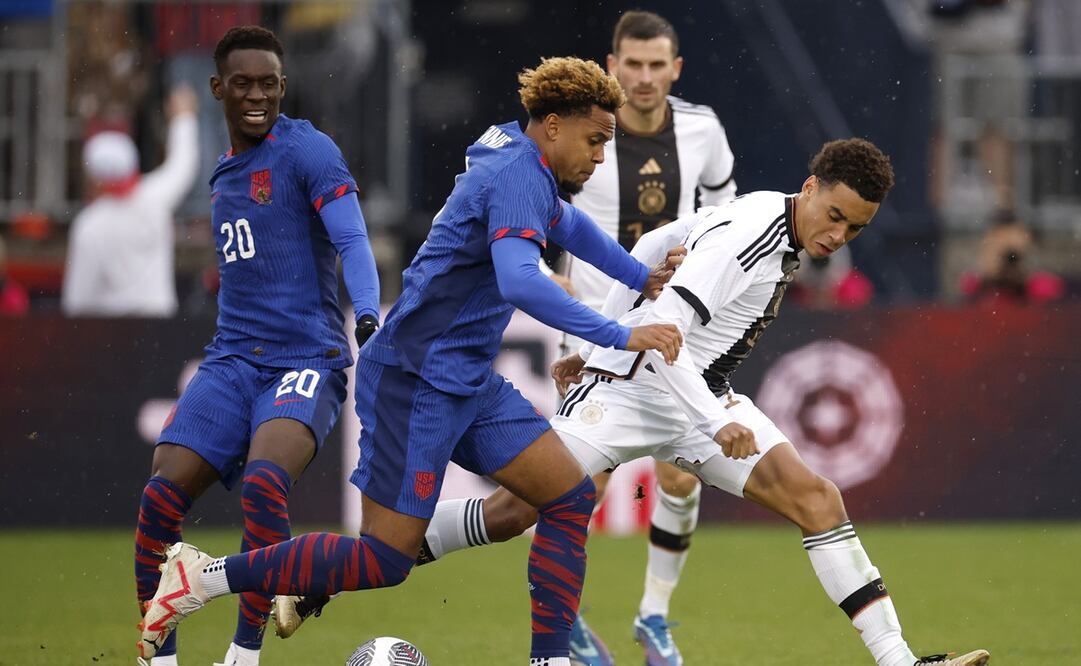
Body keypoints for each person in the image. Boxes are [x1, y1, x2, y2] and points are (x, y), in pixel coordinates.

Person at [139, 55, 686, 666]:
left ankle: (550, 659)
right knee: (384, 559)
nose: (600, 157)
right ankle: (203, 579)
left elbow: (570, 227)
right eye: (595, 141)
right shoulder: (518, 176)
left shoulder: (517, 154)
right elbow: (522, 283)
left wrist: (644, 277)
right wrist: (619, 335)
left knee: (566, 495)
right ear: (554, 126)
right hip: (415, 379)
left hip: (464, 378)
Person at [414, 139, 992, 666]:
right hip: (628, 391)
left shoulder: (770, 212)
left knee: (817, 499)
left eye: (855, 229)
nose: (839, 235)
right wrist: (690, 406)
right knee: (513, 513)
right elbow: (667, 332)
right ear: (811, 188)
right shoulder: (752, 235)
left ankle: (901, 662)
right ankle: (376, 554)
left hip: (697, 395)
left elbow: (652, 243)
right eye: (835, 216)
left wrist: (608, 340)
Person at [423, 12, 738, 665]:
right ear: (613, 65)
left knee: (682, 479)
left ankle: (653, 619)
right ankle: (550, 623)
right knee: (552, 497)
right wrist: (568, 299)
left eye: (658, 65)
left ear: (674, 69)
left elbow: (722, 224)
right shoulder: (568, 138)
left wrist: (681, 297)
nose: (645, 77)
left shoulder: (703, 132)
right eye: (634, 64)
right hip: (595, 334)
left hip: (669, 331)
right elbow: (540, 232)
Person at [133, 26, 381, 666]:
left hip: (306, 360)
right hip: (231, 361)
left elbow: (353, 241)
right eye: (241, 83)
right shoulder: (222, 177)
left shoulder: (310, 151)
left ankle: (243, 657)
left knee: (264, 487)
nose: (255, 95)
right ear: (217, 88)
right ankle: (160, 660)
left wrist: (370, 315)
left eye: (267, 84)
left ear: (282, 87)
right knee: (159, 499)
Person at [61, 85, 199, 317]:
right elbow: (183, 165)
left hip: (110, 338)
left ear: (94, 179)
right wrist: (184, 118)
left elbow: (76, 302)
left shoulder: (89, 225)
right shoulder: (155, 197)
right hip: (160, 331)